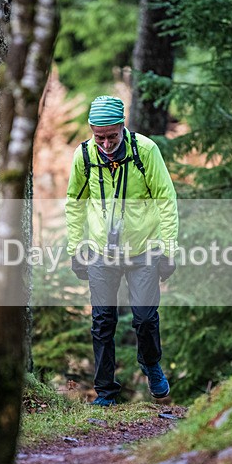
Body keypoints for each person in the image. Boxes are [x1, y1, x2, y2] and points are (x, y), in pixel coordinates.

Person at [65, 95, 179, 406]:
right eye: (98, 136)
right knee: (102, 322)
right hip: (102, 252)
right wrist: (76, 248)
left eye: (111, 136)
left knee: (144, 318)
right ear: (91, 130)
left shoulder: (145, 151)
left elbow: (166, 200)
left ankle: (152, 366)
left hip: (143, 251)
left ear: (122, 127)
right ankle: (105, 392)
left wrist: (168, 250)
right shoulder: (85, 155)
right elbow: (74, 203)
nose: (105, 143)